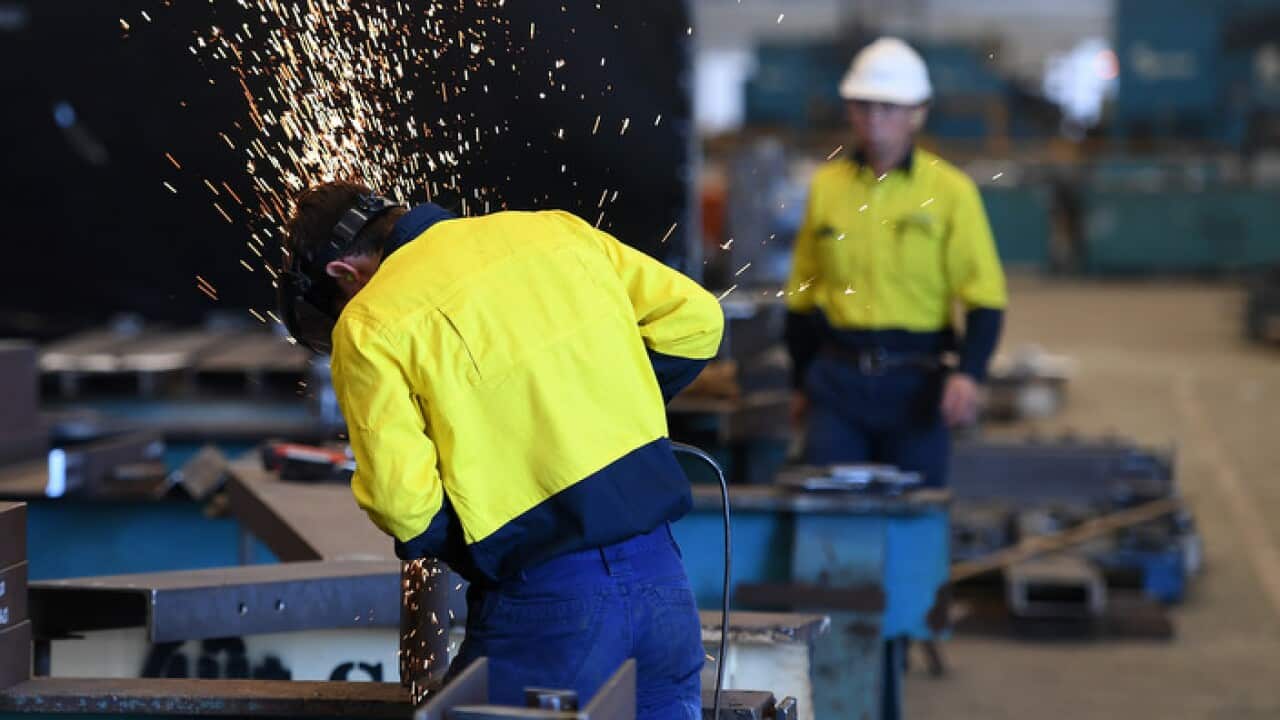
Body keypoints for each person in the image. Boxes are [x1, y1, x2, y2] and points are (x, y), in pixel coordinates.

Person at [278, 181, 724, 718]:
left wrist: (475, 541)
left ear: (343, 275)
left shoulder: (369, 322)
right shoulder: (553, 230)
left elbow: (403, 505)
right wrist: (601, 399)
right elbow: (697, 323)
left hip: (548, 608)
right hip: (667, 592)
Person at [785, 37, 1007, 486]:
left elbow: (985, 297)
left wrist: (969, 375)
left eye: (888, 107)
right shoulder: (826, 187)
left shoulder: (950, 192)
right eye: (863, 105)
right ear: (849, 108)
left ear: (917, 113)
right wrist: (800, 382)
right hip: (837, 387)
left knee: (914, 521)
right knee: (830, 515)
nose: (874, 118)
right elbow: (802, 297)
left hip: (918, 389)